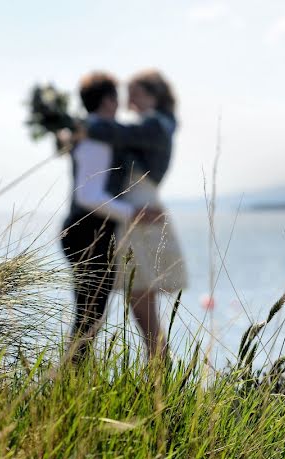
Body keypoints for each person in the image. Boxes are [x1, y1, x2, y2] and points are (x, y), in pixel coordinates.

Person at [79, 69, 187, 359]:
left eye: (135, 93)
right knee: (141, 299)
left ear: (153, 95)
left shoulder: (155, 125)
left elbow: (117, 133)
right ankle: (160, 372)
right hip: (138, 208)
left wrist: (76, 127)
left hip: (140, 212)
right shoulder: (155, 125)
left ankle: (160, 370)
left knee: (140, 297)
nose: (129, 100)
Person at [58, 71, 163, 359]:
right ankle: (66, 384)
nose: (119, 104)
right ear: (106, 101)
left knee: (90, 317)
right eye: (115, 97)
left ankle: (68, 382)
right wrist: (135, 213)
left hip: (87, 231)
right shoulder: (98, 139)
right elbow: (88, 196)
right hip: (89, 233)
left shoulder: (91, 132)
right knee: (89, 318)